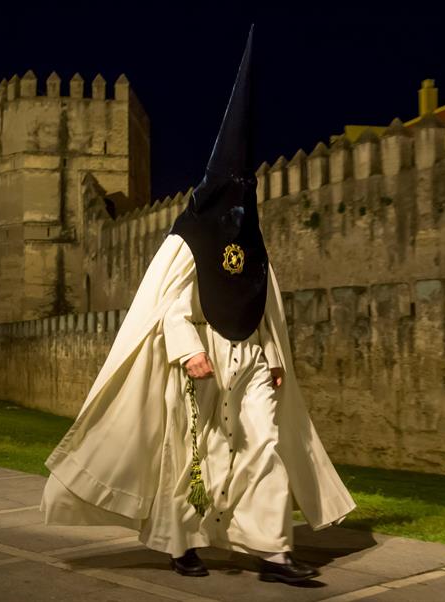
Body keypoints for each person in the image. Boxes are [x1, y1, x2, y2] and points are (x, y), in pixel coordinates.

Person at [39, 25, 356, 584]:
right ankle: (180, 541)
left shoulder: (249, 234)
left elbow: (264, 297)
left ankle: (273, 551)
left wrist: (276, 356)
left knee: (266, 441)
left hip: (253, 356)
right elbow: (171, 303)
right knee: (188, 454)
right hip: (203, 355)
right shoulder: (191, 235)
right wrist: (188, 352)